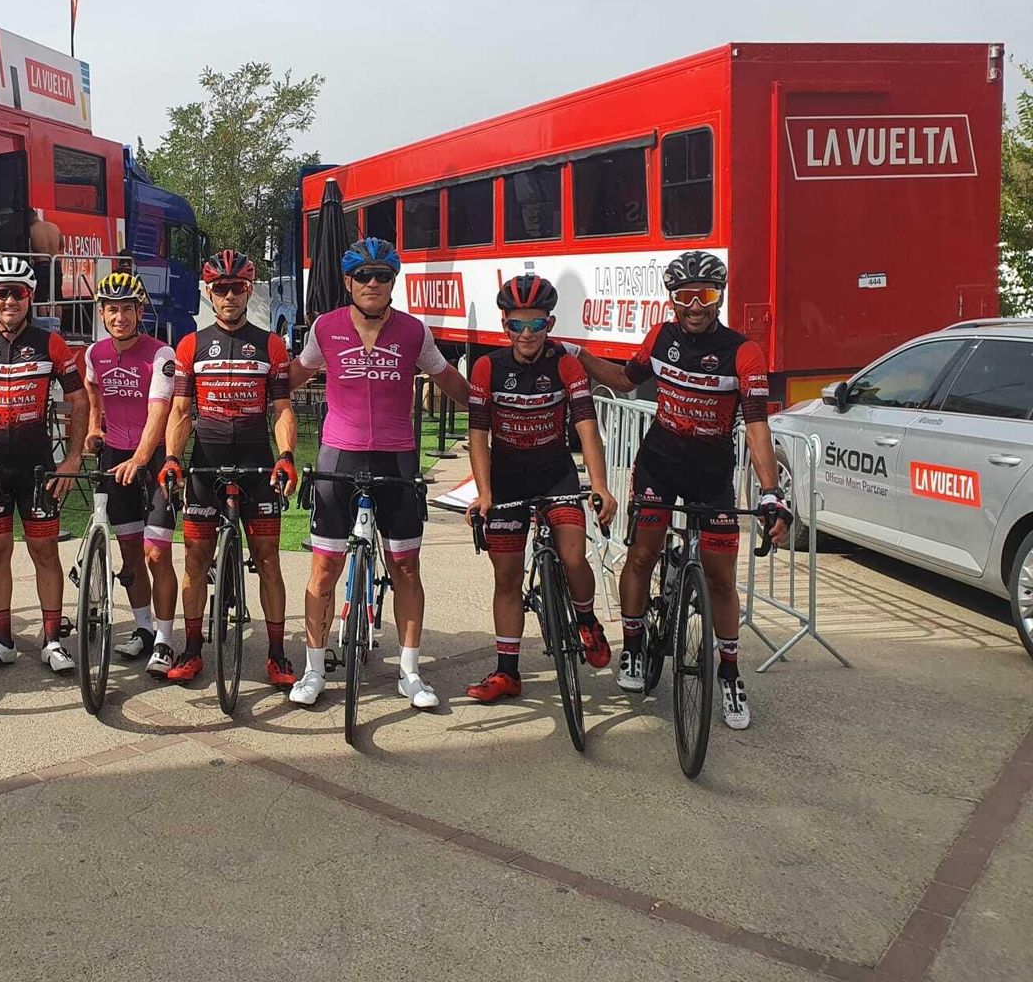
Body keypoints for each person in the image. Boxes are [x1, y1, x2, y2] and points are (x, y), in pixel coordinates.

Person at [575, 250, 791, 730]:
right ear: (671, 299)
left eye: (706, 295)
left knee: (721, 579)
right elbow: (623, 380)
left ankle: (729, 673)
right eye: (685, 296)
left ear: (720, 298)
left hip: (711, 474)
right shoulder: (660, 337)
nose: (695, 306)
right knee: (641, 556)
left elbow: (757, 425)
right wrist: (580, 357)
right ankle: (634, 646)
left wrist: (770, 491)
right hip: (659, 465)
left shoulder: (744, 352)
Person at [286, 236, 470, 710]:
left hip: (396, 458)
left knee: (405, 566)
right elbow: (293, 376)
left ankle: (410, 672)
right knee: (325, 567)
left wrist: (489, 406)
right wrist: (240, 388)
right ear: (348, 282)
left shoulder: (414, 332)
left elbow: (447, 378)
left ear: (393, 282)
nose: (373, 283)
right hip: (338, 457)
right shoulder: (325, 328)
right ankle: (313, 668)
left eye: (382, 276)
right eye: (363, 276)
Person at [464, 274, 617, 702]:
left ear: (549, 324)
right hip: (507, 478)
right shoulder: (487, 367)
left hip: (555, 474)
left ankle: (586, 620)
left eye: (536, 324)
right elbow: (478, 435)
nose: (527, 333)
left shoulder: (566, 365)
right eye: (517, 324)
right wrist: (484, 493)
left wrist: (600, 485)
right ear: (505, 325)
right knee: (507, 576)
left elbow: (587, 427)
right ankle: (507, 672)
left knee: (573, 555)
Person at [0, 255, 89, 675]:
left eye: (18, 293)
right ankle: (2, 642)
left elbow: (79, 398)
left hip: (36, 466)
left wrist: (73, 457)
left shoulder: (50, 344)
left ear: (31, 297)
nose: (10, 300)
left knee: (44, 550)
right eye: (1, 293)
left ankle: (53, 640)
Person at [158, 250, 298, 685]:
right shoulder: (190, 345)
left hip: (257, 461)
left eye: (238, 287)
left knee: (268, 560)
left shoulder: (271, 345)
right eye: (221, 288)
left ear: (249, 290)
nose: (230, 296)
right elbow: (181, 411)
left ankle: (277, 655)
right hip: (207, 462)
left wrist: (287, 456)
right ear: (210, 292)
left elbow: (282, 409)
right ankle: (192, 649)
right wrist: (172, 459)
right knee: (195, 560)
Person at [82, 270, 181, 678]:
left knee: (157, 552)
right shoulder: (94, 353)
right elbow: (92, 389)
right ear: (102, 313)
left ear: (140, 312)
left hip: (153, 458)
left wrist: (140, 458)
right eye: (112, 309)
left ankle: (165, 639)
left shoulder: (161, 354)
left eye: (127, 309)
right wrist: (94, 426)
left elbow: (159, 411)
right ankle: (143, 628)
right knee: (129, 551)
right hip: (115, 457)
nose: (119, 317)